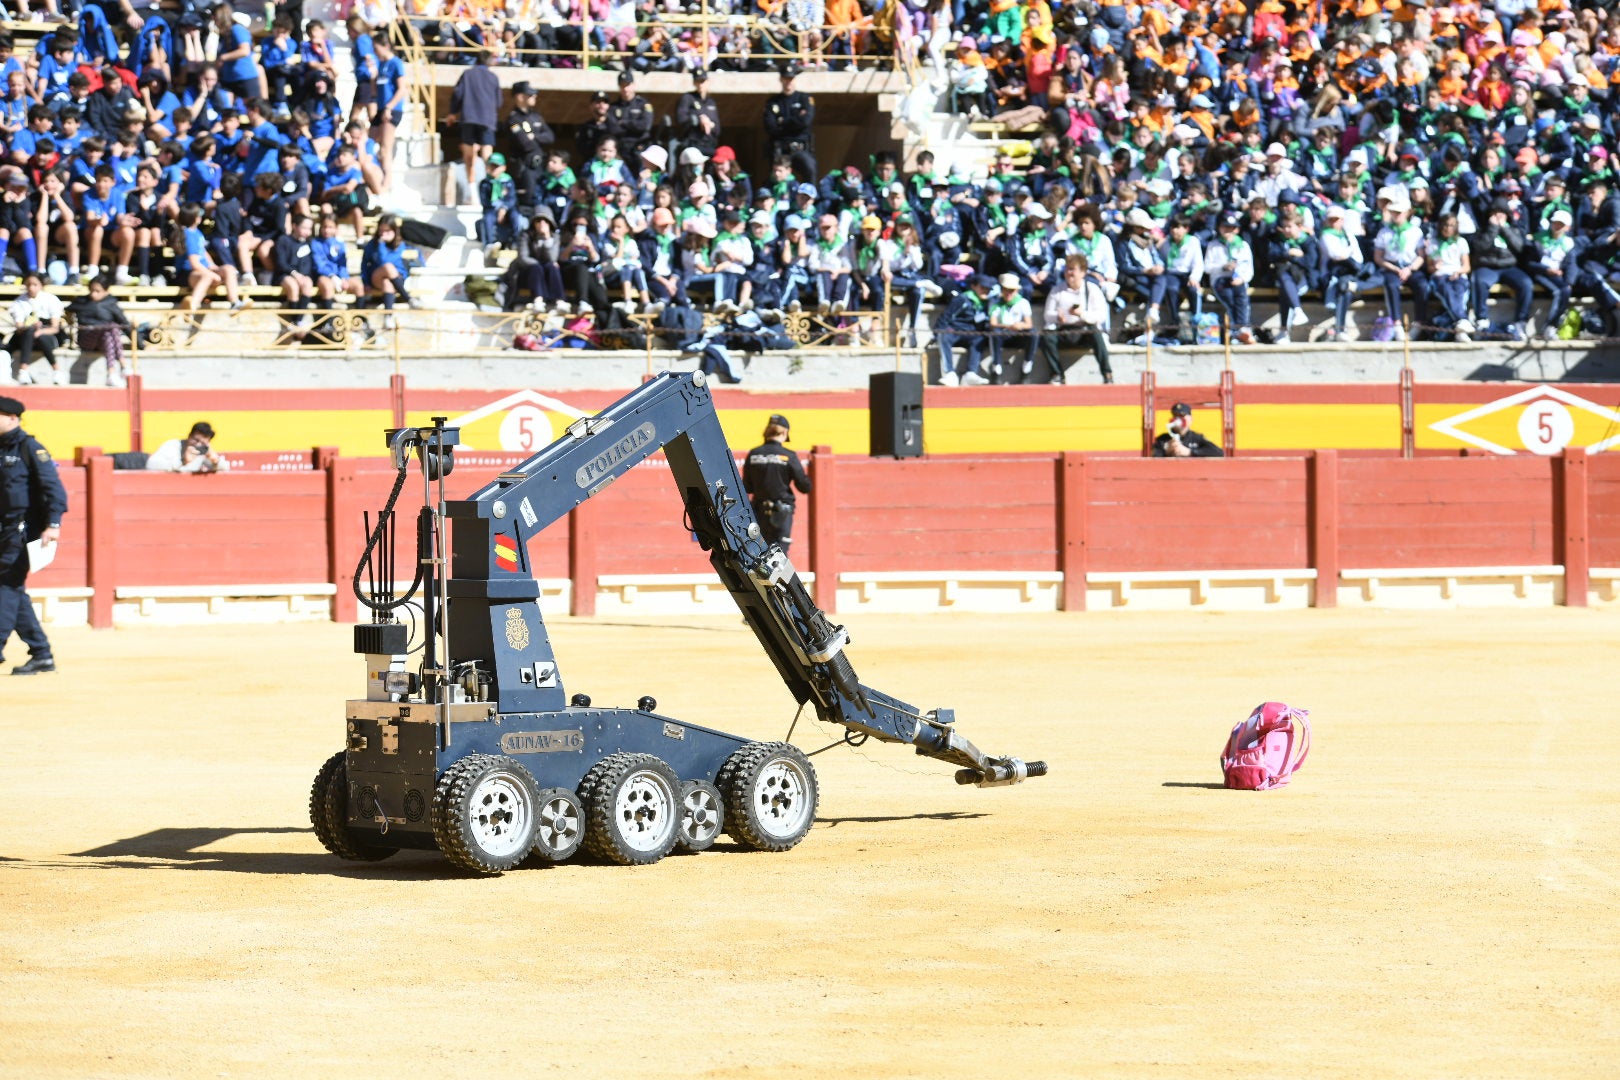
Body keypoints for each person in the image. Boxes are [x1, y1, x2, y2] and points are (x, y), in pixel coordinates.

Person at [0, 394, 67, 675]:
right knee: (14, 590)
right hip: (3, 531)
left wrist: (53, 525)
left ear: (13, 418)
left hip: (22, 532)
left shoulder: (30, 448)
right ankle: (41, 654)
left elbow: (54, 490)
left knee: (5, 584)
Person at [1038, 255, 1113, 384]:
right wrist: (1057, 317)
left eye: (1073, 269)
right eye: (1067, 269)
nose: (1069, 273)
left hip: (1083, 331)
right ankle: (1057, 374)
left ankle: (1107, 374)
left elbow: (1100, 316)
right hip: (1063, 330)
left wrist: (1082, 314)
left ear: (1083, 272)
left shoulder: (1092, 289)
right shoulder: (1057, 290)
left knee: (1094, 332)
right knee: (1046, 337)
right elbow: (1047, 315)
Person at [743, 413, 811, 552]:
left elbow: (747, 487)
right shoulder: (788, 455)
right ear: (785, 432)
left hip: (759, 512)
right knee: (780, 557)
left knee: (759, 553)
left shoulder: (754, 454)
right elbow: (804, 487)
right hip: (782, 513)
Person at [447, 48, 501, 200]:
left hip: (469, 117)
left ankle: (473, 191)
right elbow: (499, 101)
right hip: (487, 119)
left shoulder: (468, 74)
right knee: (487, 152)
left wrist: (453, 112)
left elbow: (458, 94)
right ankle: (491, 187)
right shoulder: (493, 78)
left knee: (468, 154)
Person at [8, 274, 66, 385]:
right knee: (30, 332)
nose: (31, 288)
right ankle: (25, 371)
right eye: (28, 284)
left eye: (35, 284)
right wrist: (31, 328)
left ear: (41, 285)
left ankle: (55, 371)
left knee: (40, 336)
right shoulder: (19, 302)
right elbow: (19, 328)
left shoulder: (51, 299)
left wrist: (40, 331)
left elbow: (55, 328)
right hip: (26, 337)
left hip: (47, 336)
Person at [763, 64, 815, 180]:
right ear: (781, 80)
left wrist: (782, 121)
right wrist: (796, 119)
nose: (788, 83)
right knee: (776, 176)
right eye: (786, 79)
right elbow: (771, 127)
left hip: (800, 148)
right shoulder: (773, 102)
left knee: (810, 167)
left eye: (791, 79)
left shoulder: (804, 99)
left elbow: (805, 122)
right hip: (780, 149)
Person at [146, 421, 230, 473]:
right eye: (196, 440)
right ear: (189, 436)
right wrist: (183, 461)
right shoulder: (173, 445)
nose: (198, 445)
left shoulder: (203, 451)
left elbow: (225, 469)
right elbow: (151, 464)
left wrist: (216, 461)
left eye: (203, 442)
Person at [1152, 402, 1224, 458]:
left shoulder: (1197, 438)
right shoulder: (1162, 439)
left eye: (1182, 416)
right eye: (1175, 416)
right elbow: (1154, 458)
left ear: (1190, 419)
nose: (1178, 420)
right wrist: (1167, 452)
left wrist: (1190, 452)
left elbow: (1219, 453)